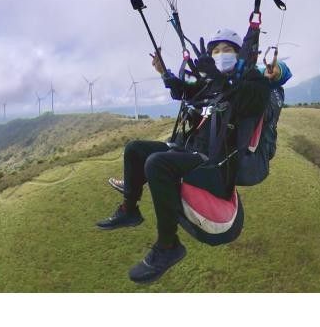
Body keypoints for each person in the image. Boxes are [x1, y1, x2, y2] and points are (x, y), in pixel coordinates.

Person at [96, 28, 291, 284]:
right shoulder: (211, 85)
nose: (220, 55)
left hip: (216, 166)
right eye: (215, 51)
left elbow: (258, 94)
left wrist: (276, 72)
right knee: (135, 149)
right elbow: (183, 91)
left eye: (227, 50)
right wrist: (164, 72)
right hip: (190, 152)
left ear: (241, 55)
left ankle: (168, 246)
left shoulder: (253, 85)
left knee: (157, 164)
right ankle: (129, 210)